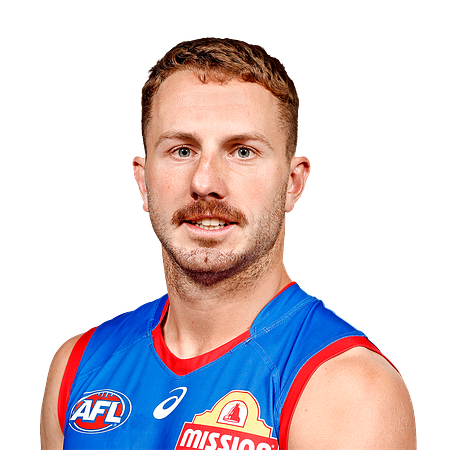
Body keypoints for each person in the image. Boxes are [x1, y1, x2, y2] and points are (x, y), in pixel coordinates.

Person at [39, 37, 417, 449]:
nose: (205, 183)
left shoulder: (349, 388)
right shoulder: (77, 365)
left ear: (293, 183)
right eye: (182, 150)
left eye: (242, 152)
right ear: (143, 182)